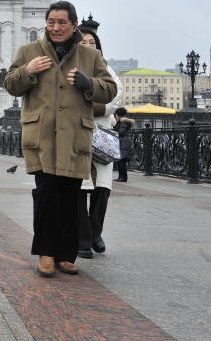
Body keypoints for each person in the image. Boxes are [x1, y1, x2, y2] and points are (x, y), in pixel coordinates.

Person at [4, 0, 116, 278]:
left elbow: (110, 89)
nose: (55, 27)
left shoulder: (89, 56)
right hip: (42, 136)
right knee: (46, 195)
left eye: (62, 22)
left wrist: (89, 84)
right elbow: (10, 84)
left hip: (75, 137)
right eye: (51, 22)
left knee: (69, 196)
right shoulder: (29, 51)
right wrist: (28, 71)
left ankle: (66, 255)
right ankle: (45, 253)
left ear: (73, 25)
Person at [75, 27, 123, 258]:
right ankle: (82, 238)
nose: (88, 45)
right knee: (82, 186)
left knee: (103, 187)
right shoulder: (72, 68)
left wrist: (97, 107)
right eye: (83, 41)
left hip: (103, 134)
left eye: (92, 42)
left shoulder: (106, 68)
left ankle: (96, 234)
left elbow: (117, 95)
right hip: (79, 133)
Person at [113, 108, 134, 182]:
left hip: (123, 142)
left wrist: (113, 132)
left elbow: (121, 132)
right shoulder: (123, 121)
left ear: (117, 115)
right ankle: (121, 177)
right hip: (123, 141)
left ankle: (123, 177)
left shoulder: (123, 122)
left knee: (121, 160)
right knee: (120, 160)